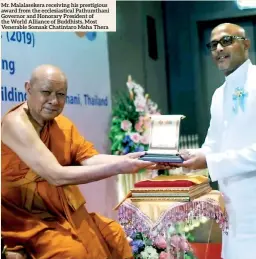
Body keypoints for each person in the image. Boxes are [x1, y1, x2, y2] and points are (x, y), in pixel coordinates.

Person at [1, 64, 156, 259]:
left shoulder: (61, 125)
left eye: (61, 95)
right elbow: (55, 175)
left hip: (62, 213)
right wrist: (119, 167)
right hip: (28, 219)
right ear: (28, 88)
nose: (54, 101)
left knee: (113, 234)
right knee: (73, 253)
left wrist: (126, 159)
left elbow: (88, 158)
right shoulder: (15, 124)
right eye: (46, 92)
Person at [177, 23, 256, 259]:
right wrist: (191, 156)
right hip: (231, 205)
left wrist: (211, 160)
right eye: (213, 45)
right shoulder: (219, 94)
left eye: (226, 41)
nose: (219, 48)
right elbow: (212, 144)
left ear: (246, 44)